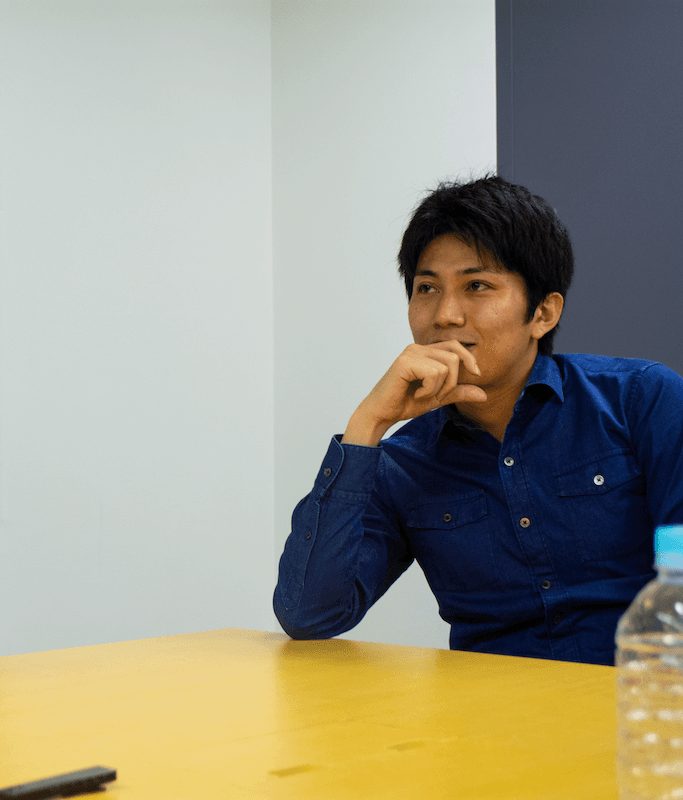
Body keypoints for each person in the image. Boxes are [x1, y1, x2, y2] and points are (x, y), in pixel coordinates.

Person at [273, 175, 683, 666]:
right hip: (490, 707)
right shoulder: (402, 462)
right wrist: (367, 424)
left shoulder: (640, 399)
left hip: (639, 695)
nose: (445, 314)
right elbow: (309, 616)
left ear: (543, 313)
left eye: (477, 286)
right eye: (427, 288)